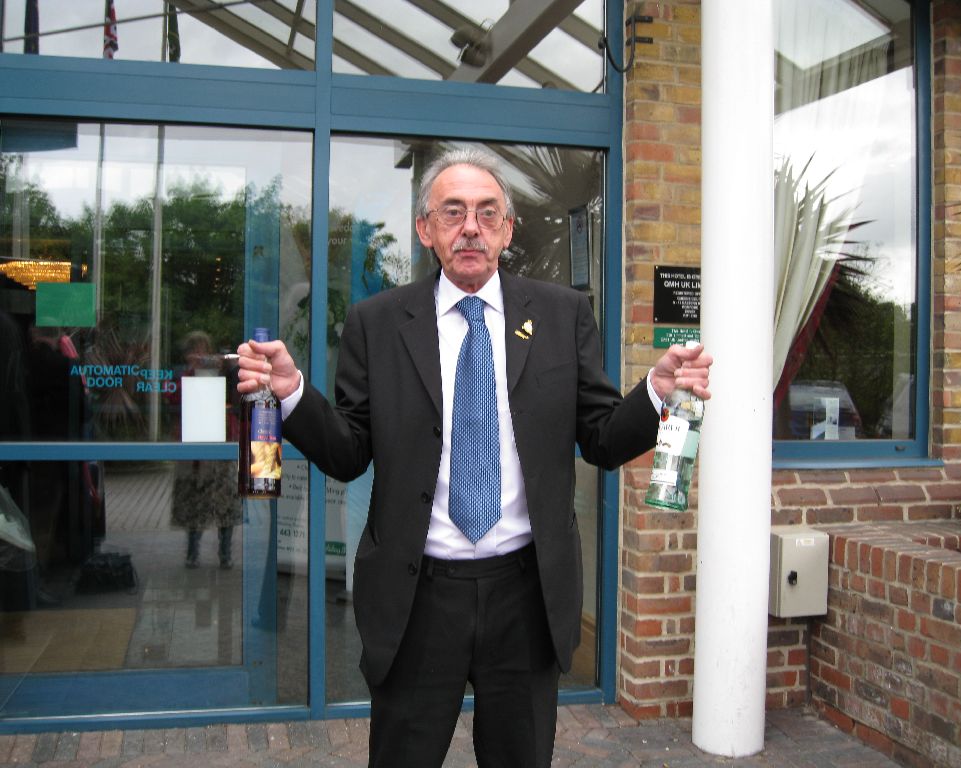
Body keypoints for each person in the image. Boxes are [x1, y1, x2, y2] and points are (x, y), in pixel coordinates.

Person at [236, 148, 713, 768]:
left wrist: (656, 393)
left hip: (526, 595)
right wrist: (292, 392)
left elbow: (602, 438)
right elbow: (348, 452)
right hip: (417, 597)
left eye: (488, 214)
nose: (471, 228)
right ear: (425, 229)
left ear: (508, 230)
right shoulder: (377, 323)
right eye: (453, 212)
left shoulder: (562, 315)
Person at [171, 330, 241, 569]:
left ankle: (225, 553)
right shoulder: (184, 376)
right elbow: (174, 400)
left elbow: (237, 398)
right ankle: (192, 552)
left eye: (204, 351)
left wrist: (227, 367)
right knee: (194, 501)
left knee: (226, 501)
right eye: (195, 351)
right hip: (195, 450)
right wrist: (192, 372)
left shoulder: (224, 374)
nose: (200, 356)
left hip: (221, 445)